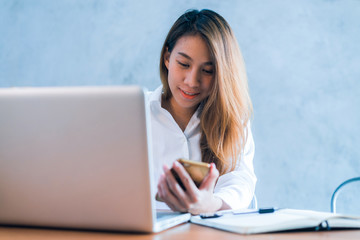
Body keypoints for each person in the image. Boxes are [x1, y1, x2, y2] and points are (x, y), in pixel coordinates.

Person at [148, 9, 256, 215]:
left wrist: (210, 203)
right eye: (184, 64)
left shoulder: (233, 120)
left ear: (221, 74)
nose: (192, 81)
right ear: (167, 58)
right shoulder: (137, 113)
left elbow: (241, 181)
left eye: (207, 71)